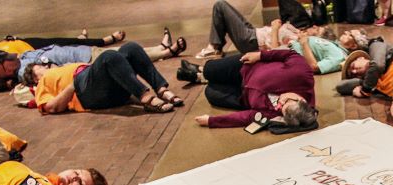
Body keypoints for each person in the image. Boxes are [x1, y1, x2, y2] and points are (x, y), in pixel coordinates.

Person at [0, 31, 183, 93]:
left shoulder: (22, 59)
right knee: (124, 53)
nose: (11, 59)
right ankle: (166, 51)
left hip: (80, 53)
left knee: (125, 51)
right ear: (4, 70)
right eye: (7, 62)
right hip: (84, 62)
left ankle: (164, 50)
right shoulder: (25, 72)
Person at [26, 42, 184, 114]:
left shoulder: (60, 67)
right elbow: (52, 107)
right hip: (85, 93)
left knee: (130, 48)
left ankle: (162, 89)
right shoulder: (41, 85)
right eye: (38, 69)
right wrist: (72, 86)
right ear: (34, 79)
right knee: (108, 56)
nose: (43, 67)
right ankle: (145, 97)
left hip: (103, 85)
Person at [180, 50, 318, 130]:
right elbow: (290, 55)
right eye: (285, 101)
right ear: (300, 99)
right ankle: (199, 72)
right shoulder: (302, 76)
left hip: (242, 95)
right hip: (246, 67)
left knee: (210, 93)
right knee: (210, 70)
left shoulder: (279, 112)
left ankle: (196, 75)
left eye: (281, 108)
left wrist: (212, 121)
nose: (279, 104)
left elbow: (246, 117)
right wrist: (260, 55)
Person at [194, 0, 332, 59]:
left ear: (317, 39)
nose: (315, 27)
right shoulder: (300, 33)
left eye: (317, 30)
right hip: (255, 33)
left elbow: (275, 51)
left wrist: (275, 29)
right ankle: (215, 46)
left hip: (251, 41)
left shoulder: (298, 41)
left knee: (220, 5)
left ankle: (214, 46)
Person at [0, 30, 128, 75]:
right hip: (35, 51)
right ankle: (106, 40)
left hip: (26, 41)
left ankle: (79, 38)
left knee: (64, 41)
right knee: (70, 46)